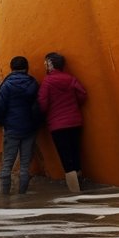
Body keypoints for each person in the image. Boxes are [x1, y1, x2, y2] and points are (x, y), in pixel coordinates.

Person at [37, 52, 87, 192]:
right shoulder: (70, 78)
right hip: (75, 122)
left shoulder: (47, 82)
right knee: (75, 153)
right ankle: (81, 183)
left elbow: (43, 104)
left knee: (65, 157)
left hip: (57, 125)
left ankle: (75, 192)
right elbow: (82, 94)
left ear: (51, 64)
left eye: (46, 63)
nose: (45, 65)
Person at [0, 56, 42, 194]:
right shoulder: (33, 83)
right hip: (30, 129)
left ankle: (5, 196)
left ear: (11, 68)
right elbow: (39, 106)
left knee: (7, 164)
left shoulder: (7, 85)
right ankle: (22, 195)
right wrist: (36, 123)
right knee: (25, 166)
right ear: (27, 68)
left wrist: (3, 122)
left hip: (12, 129)